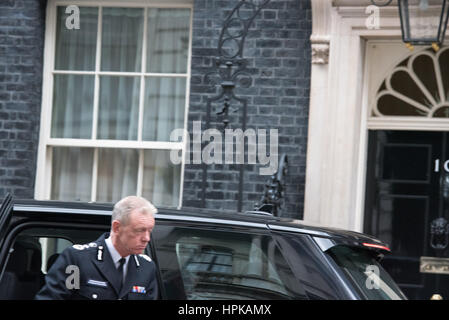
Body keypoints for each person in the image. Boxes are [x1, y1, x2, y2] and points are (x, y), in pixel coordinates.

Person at [35, 196, 159, 300]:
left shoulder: (146, 268)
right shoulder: (77, 260)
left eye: (150, 231)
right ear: (117, 228)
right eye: (139, 230)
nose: (146, 238)